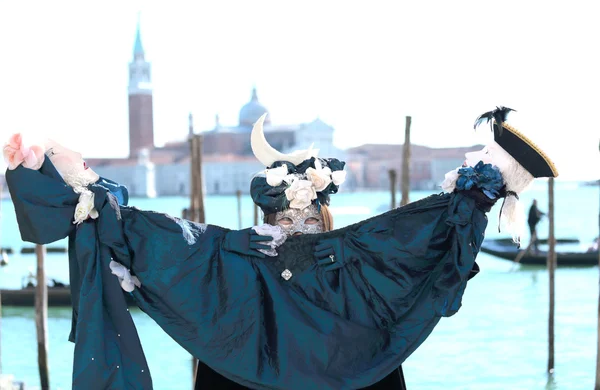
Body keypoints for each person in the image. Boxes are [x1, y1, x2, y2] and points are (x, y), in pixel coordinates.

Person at [3, 106, 557, 390]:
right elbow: (428, 236)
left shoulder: (217, 261)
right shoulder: (367, 267)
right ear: (325, 210)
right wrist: (491, 178)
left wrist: (47, 163)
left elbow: (123, 225)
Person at [194, 122, 407, 389]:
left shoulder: (349, 273)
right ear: (269, 223)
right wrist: (222, 245)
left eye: (309, 221)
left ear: (325, 222)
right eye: (284, 221)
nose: (296, 230)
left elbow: (407, 261)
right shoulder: (247, 274)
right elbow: (188, 266)